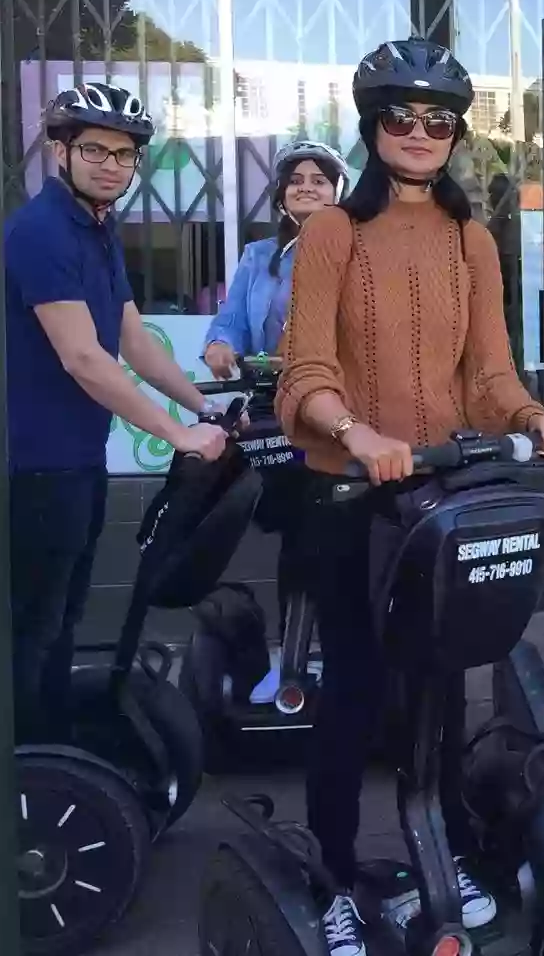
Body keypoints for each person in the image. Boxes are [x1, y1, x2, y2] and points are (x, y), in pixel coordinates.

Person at [274, 39, 544, 956]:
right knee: (358, 692)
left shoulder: (470, 239)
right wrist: (356, 434)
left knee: (447, 689)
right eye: (399, 118)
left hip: (443, 499)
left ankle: (442, 852)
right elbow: (305, 367)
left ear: (455, 135)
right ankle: (331, 867)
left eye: (436, 120)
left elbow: (487, 369)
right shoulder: (333, 232)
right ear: (373, 129)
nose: (417, 133)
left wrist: (531, 412)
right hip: (348, 500)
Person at [4, 84, 229, 744]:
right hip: (34, 464)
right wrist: (175, 434)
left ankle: (53, 749)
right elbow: (84, 358)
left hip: (77, 457)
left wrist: (204, 406)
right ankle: (27, 770)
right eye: (95, 149)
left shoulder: (97, 230)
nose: (111, 165)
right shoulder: (41, 232)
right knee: (35, 623)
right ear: (59, 150)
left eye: (125, 155)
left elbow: (130, 338)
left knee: (65, 616)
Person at [202, 138, 349, 703]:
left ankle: (341, 661)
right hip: (276, 413)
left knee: (336, 541)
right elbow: (231, 323)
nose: (307, 186)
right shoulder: (258, 257)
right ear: (282, 193)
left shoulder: (355, 254)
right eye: (297, 179)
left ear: (338, 190)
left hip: (339, 413)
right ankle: (291, 665)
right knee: (297, 538)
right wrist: (220, 344)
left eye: (319, 178)